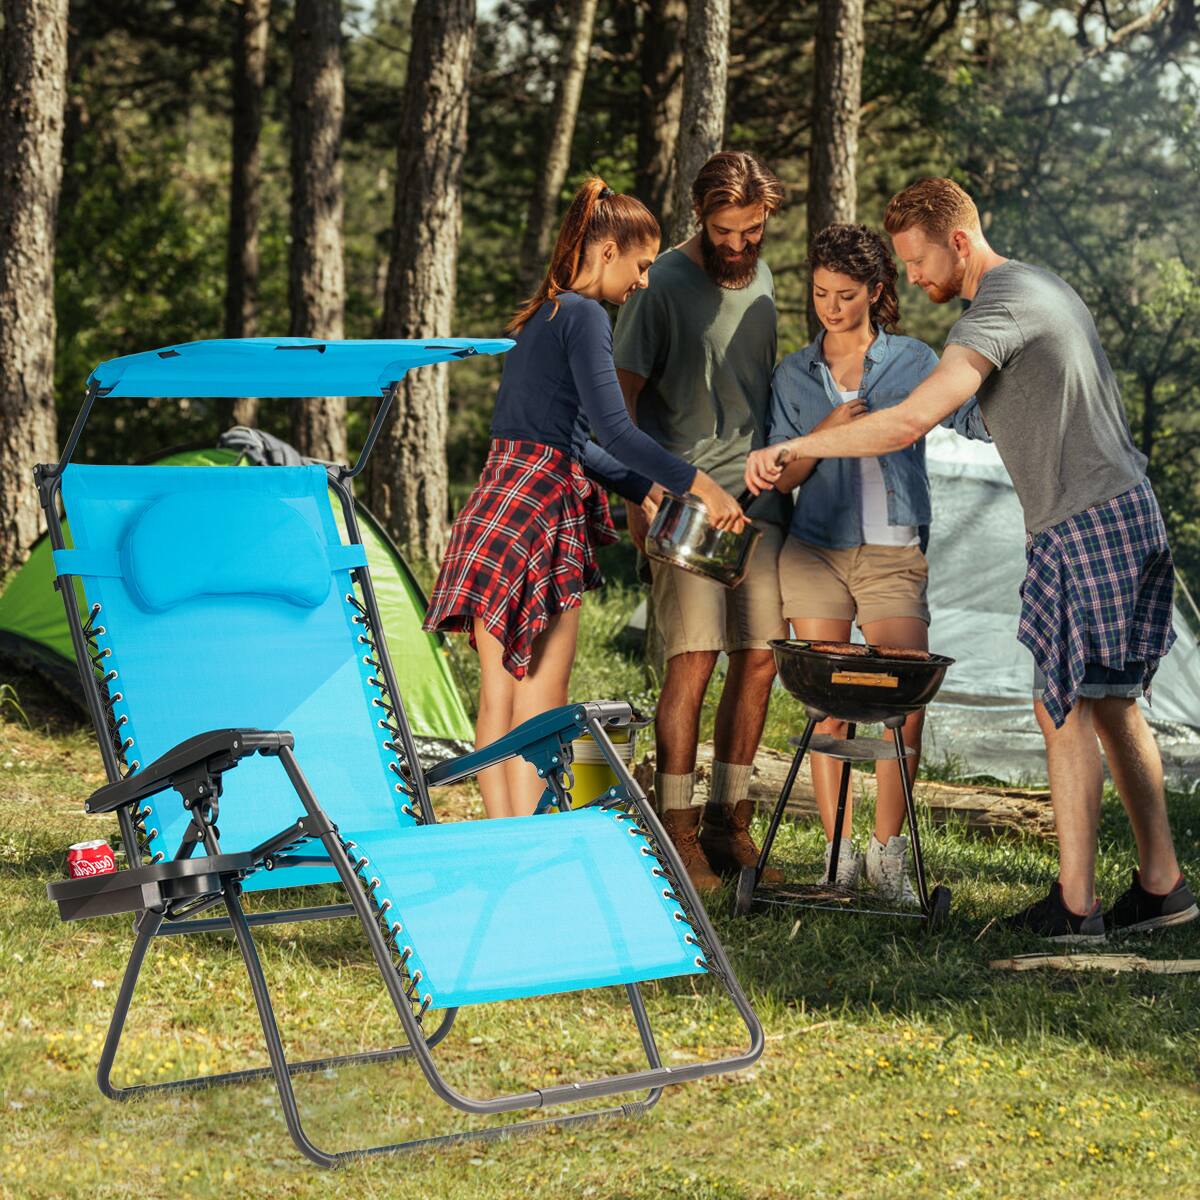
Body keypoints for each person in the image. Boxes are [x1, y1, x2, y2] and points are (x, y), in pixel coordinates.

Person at [746, 177, 1196, 941]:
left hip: (1082, 518)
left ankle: (1075, 907)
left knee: (1062, 711)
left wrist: (798, 443)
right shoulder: (1039, 288)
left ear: (958, 241)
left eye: (917, 261)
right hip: (1121, 507)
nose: (913, 279)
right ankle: (1162, 885)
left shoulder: (999, 304)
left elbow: (912, 420)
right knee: (1111, 702)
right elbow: (1002, 414)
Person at [425, 178, 745, 820]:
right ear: (606, 252)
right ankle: (535, 845)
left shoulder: (539, 316)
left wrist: (643, 487)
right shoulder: (584, 315)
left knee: (498, 698)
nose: (645, 282)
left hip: (495, 508)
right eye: (642, 265)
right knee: (541, 702)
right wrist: (698, 483)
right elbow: (617, 431)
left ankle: (502, 839)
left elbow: (561, 441)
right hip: (538, 517)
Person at [762, 223, 987, 904]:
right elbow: (777, 474)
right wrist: (822, 436)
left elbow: (974, 416)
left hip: (891, 550)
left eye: (847, 294)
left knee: (902, 702)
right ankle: (837, 858)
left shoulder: (913, 360)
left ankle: (888, 858)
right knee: (827, 705)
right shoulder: (793, 375)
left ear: (876, 291)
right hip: (814, 550)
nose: (832, 307)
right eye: (822, 292)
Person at [613, 150, 787, 893]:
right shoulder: (662, 289)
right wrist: (631, 495)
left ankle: (729, 826)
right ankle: (675, 832)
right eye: (726, 231)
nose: (740, 245)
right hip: (682, 502)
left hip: (758, 507)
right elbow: (616, 403)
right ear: (700, 219)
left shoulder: (768, 277)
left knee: (758, 660)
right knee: (694, 660)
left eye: (752, 230)